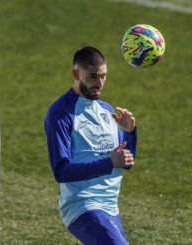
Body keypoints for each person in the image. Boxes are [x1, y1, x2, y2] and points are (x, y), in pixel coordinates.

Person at [45, 46, 137, 244]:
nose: (99, 83)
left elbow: (126, 162)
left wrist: (130, 133)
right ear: (76, 74)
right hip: (83, 206)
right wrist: (109, 163)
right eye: (93, 76)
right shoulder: (61, 114)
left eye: (103, 76)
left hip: (111, 206)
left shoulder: (107, 110)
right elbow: (61, 172)